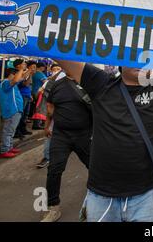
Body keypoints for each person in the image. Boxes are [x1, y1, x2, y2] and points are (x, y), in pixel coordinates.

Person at [56, 61, 153, 222]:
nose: (142, 61)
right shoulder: (100, 83)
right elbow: (59, 52)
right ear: (120, 60)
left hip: (145, 196)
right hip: (101, 196)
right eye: (134, 54)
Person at [41, 72, 92, 222]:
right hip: (60, 135)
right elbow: (50, 106)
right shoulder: (56, 84)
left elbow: (99, 109)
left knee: (95, 167)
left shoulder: (89, 83)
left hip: (84, 135)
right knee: (54, 169)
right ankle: (53, 207)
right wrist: (47, 125)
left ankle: (96, 202)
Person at [36, 64, 64, 169]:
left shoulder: (74, 82)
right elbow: (48, 107)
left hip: (70, 119)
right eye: (54, 69)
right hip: (55, 115)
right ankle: (47, 157)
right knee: (49, 136)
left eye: (58, 69)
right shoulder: (50, 82)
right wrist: (46, 126)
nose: (56, 71)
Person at [0, 66, 26, 158]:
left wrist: (28, 70)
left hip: (15, 110)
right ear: (11, 74)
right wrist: (21, 69)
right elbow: (16, 80)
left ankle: (9, 147)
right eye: (16, 74)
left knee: (11, 131)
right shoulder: (6, 82)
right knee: (8, 131)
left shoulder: (12, 84)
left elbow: (21, 78)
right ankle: (4, 150)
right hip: (11, 111)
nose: (18, 77)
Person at [14, 59, 36, 139]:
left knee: (25, 115)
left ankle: (23, 129)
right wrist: (29, 73)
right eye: (23, 64)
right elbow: (24, 84)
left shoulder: (26, 73)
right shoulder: (18, 73)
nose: (25, 65)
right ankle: (17, 131)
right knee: (20, 114)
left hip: (27, 95)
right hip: (22, 95)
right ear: (18, 66)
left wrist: (30, 95)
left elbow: (28, 85)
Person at [32, 62, 48, 130]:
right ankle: (37, 124)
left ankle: (37, 123)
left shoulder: (34, 73)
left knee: (37, 107)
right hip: (39, 93)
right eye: (44, 67)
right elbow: (46, 83)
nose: (44, 69)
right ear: (41, 67)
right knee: (40, 108)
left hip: (34, 91)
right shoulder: (40, 74)